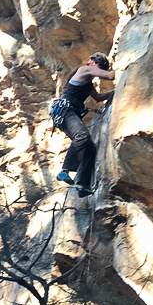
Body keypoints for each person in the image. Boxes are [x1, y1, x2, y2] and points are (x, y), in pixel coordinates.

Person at [56, 52, 115, 197]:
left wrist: (115, 92)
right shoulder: (84, 69)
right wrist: (123, 66)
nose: (98, 71)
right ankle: (64, 171)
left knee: (89, 148)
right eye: (99, 67)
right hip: (66, 111)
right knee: (82, 135)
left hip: (67, 114)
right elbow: (110, 76)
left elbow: (98, 97)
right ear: (93, 62)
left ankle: (83, 185)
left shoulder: (87, 84)